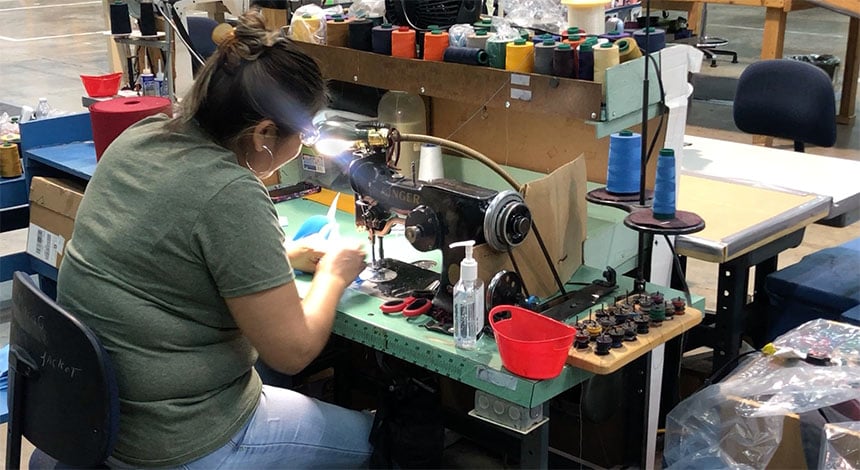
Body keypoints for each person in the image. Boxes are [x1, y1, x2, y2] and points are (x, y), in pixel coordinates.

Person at [57, 10, 373, 468]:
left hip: (98, 420)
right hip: (179, 438)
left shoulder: (143, 136)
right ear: (264, 132)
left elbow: (168, 261)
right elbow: (293, 351)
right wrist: (333, 273)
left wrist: (282, 257)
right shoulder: (230, 193)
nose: (303, 146)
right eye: (302, 134)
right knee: (376, 439)